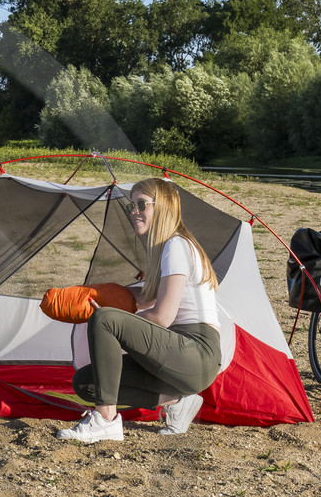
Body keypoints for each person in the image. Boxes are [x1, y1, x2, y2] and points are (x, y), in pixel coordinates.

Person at [58, 177, 220, 442]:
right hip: (177, 357)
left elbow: (162, 316)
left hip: (196, 350)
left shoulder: (176, 245)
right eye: (131, 206)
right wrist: (94, 295)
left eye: (141, 205)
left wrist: (111, 323)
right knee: (87, 383)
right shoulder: (166, 249)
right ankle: (177, 401)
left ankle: (106, 421)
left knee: (105, 321)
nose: (134, 211)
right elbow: (145, 297)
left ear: (163, 208)